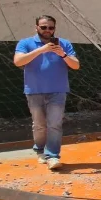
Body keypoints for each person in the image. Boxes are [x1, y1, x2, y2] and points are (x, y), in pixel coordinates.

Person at [13, 15, 80, 171]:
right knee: (39, 125)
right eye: (43, 27)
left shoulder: (64, 44)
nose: (47, 30)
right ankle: (40, 150)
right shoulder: (25, 43)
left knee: (55, 124)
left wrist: (63, 54)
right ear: (36, 27)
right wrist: (41, 50)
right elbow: (18, 61)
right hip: (34, 90)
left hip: (58, 90)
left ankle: (53, 156)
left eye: (51, 27)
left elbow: (76, 65)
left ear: (54, 29)